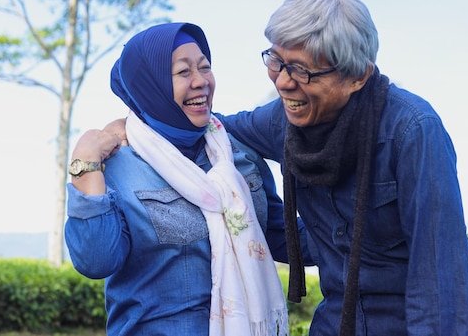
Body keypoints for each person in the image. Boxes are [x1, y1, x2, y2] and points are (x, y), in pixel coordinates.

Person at [216, 0, 468, 335]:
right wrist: (127, 127)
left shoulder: (412, 131)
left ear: (357, 76)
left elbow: (438, 279)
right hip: (337, 318)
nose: (283, 82)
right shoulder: (282, 121)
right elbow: (212, 129)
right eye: (276, 60)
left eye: (302, 70)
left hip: (413, 320)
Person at [64, 22, 313, 336]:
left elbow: (279, 236)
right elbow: (96, 261)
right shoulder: (117, 165)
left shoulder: (236, 154)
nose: (201, 82)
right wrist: (85, 164)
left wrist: (367, 231)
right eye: (183, 72)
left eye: (205, 67)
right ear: (149, 85)